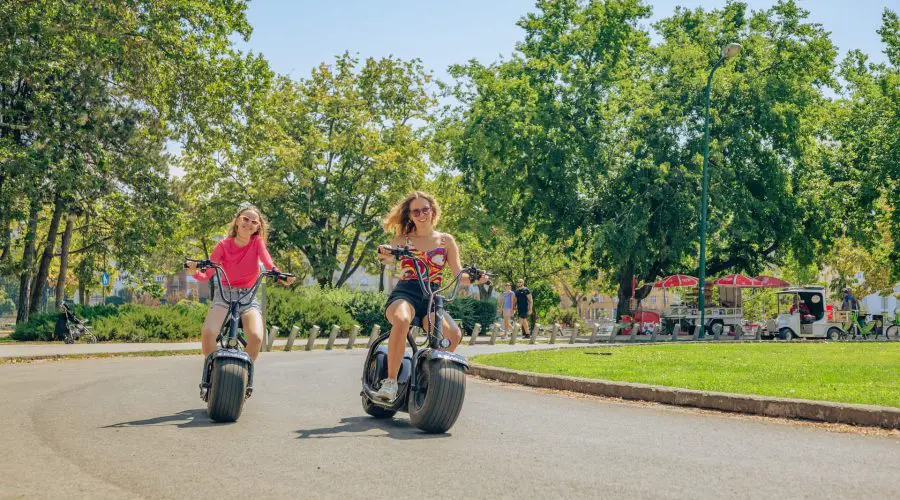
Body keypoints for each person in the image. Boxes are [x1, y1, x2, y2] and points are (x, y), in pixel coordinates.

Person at [373, 191, 487, 402]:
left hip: (432, 297)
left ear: (433, 211)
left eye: (425, 209)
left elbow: (458, 275)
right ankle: (390, 382)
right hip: (406, 292)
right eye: (416, 211)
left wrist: (476, 278)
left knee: (453, 334)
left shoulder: (446, 240)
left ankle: (426, 374)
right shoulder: (403, 239)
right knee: (402, 319)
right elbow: (387, 257)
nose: (421, 214)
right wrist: (384, 252)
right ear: (410, 214)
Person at [186, 205, 295, 396]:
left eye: (254, 222)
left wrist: (280, 277)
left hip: (248, 296)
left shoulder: (257, 243)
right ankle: (212, 373)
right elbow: (208, 273)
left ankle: (244, 379)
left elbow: (269, 264)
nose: (249, 224)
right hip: (225, 295)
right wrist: (194, 272)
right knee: (209, 332)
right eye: (245, 219)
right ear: (237, 221)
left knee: (256, 337)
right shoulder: (223, 246)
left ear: (258, 227)